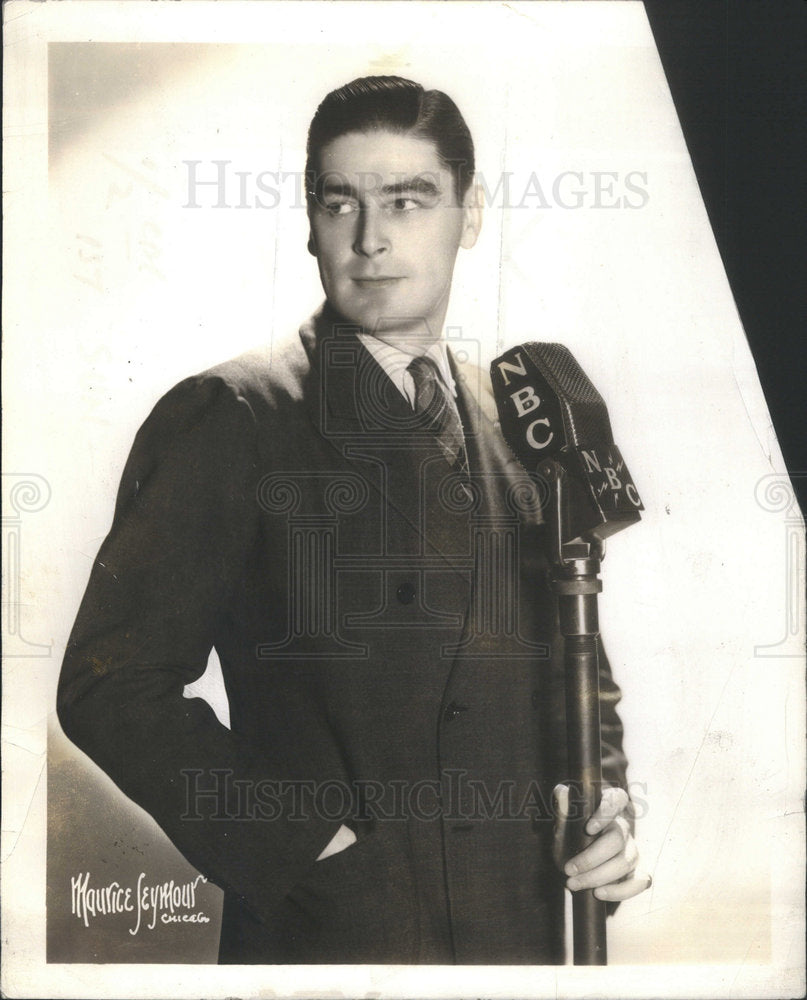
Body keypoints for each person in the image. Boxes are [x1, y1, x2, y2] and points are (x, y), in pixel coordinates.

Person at [58, 75, 648, 965]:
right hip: (336, 937)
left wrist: (604, 804)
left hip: (527, 934)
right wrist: (305, 842)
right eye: (342, 204)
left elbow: (577, 663)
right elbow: (111, 685)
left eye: (408, 202)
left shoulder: (521, 418)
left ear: (470, 212)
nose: (371, 240)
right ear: (309, 222)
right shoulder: (234, 414)